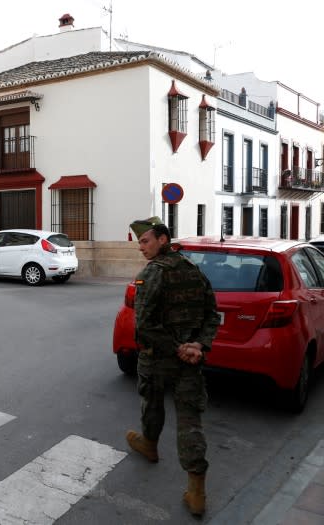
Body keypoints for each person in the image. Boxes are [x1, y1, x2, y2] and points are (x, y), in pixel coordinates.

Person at [126, 216, 219, 517]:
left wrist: (177, 349)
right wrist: (199, 346)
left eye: (145, 241)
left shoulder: (152, 274)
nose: (141, 247)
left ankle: (149, 444)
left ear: (162, 240)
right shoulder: (193, 269)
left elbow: (143, 326)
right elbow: (211, 314)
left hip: (158, 358)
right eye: (139, 242)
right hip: (190, 359)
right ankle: (196, 492)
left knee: (152, 404)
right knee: (190, 419)